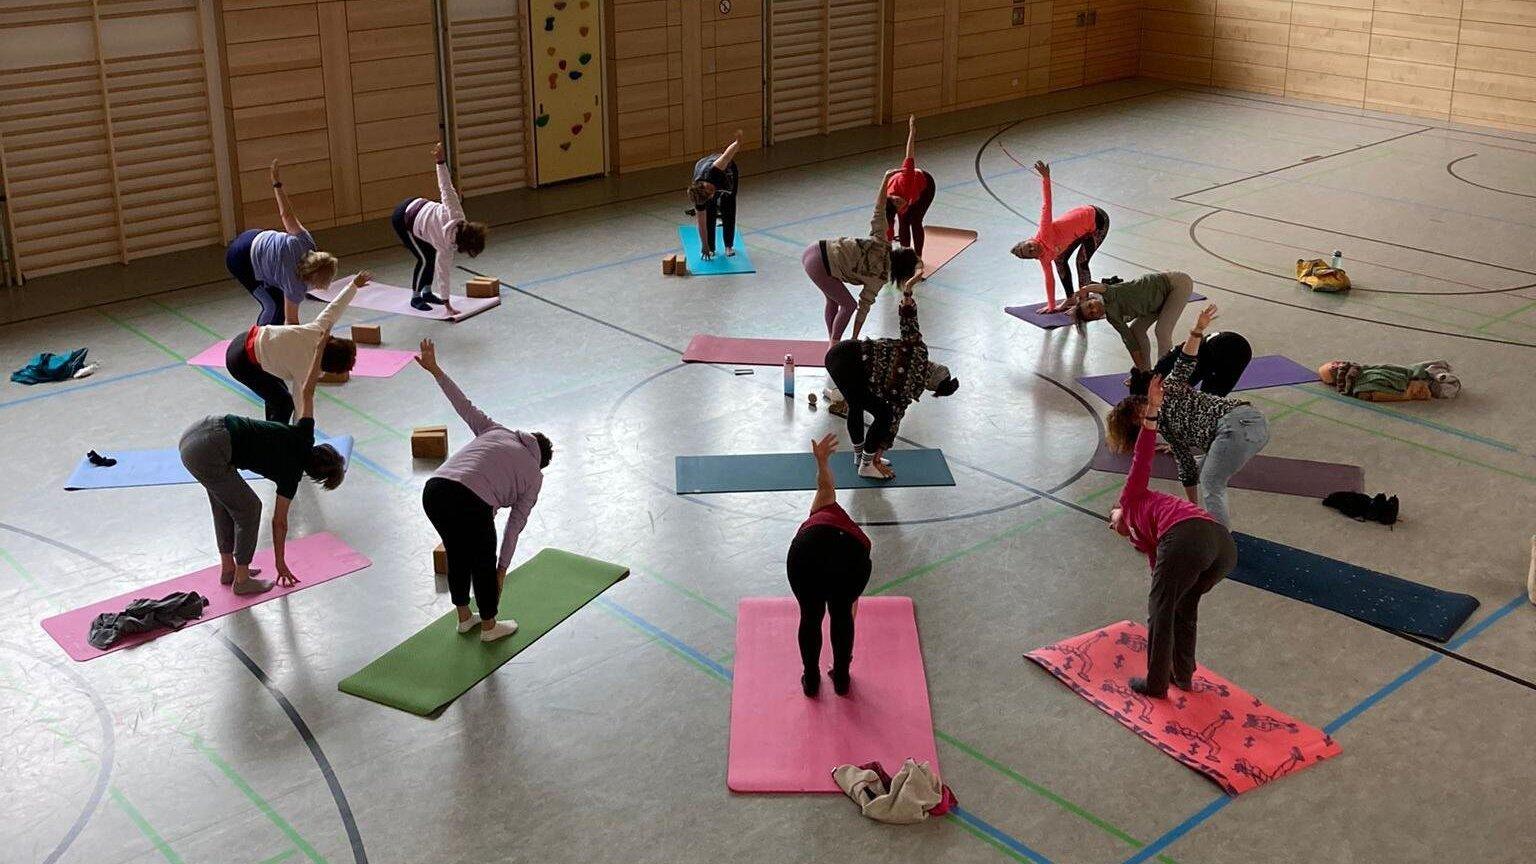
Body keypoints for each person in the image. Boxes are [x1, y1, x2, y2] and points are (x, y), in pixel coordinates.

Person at [178, 334, 347, 596]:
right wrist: (280, 563)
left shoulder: (304, 434)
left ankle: (229, 568)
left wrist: (319, 349)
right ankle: (242, 580)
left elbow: (307, 389)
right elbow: (279, 523)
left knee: (225, 502)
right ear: (315, 476)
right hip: (208, 450)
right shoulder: (291, 477)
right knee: (250, 508)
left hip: (201, 429)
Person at [415, 338, 552, 643]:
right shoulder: (534, 476)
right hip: (469, 500)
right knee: (482, 560)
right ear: (541, 462)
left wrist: (436, 370)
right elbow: (514, 526)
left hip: (434, 490)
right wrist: (501, 569)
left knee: (457, 551)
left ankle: (465, 618)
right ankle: (489, 626)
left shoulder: (496, 430)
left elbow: (463, 405)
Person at [1109, 391, 1236, 698]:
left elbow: (1141, 459)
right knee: (1182, 606)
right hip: (1222, 548)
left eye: (1110, 517)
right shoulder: (1148, 541)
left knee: (1161, 609)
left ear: (1119, 508)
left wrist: (1151, 415)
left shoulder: (1132, 498)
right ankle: (1183, 674)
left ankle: (1156, 683)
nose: (1111, 524)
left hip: (1191, 536)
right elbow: (1161, 573)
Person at [1105, 305, 1269, 526]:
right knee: (1198, 469)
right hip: (1244, 433)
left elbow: (1185, 360)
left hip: (1240, 424)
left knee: (1211, 482)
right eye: (1140, 418)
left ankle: (1220, 536)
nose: (1146, 413)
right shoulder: (1167, 430)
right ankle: (1201, 520)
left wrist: (1197, 330)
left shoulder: (1169, 388)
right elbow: (1186, 468)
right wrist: (1193, 507)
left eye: (1141, 408)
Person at [824, 288, 959, 479]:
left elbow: (909, 324)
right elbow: (893, 420)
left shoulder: (919, 351)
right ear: (931, 385)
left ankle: (861, 457)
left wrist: (908, 305)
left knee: (857, 404)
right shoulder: (910, 389)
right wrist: (878, 452)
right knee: (882, 413)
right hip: (849, 364)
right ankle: (866, 465)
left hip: (841, 353)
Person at [787, 433, 873, 697]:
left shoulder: (823, 505)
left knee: (810, 616)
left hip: (806, 553)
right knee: (842, 614)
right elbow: (850, 611)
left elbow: (824, 484)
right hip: (850, 557)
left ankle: (811, 679)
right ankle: (841, 678)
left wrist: (822, 461)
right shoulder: (836, 516)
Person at [225, 271, 369, 422]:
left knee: (277, 394)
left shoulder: (319, 330)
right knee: (283, 404)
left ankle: (272, 429)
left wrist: (353, 285)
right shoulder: (306, 369)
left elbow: (335, 307)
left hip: (244, 339)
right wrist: (301, 432)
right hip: (241, 362)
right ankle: (276, 435)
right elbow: (301, 407)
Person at [805, 169, 923, 342]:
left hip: (815, 249)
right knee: (848, 305)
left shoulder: (882, 242)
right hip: (821, 265)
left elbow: (879, 209)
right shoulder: (879, 279)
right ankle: (834, 344)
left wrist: (886, 178)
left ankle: (832, 341)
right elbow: (863, 308)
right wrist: (854, 337)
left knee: (833, 300)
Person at [226, 159, 338, 326]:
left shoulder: (306, 242)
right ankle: (258, 339)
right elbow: (291, 322)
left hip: (253, 236)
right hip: (240, 259)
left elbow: (286, 215)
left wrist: (276, 184)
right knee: (274, 305)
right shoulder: (294, 285)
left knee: (278, 293)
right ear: (312, 279)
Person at [391, 143, 488, 313]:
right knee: (424, 259)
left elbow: (443, 273)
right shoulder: (446, 246)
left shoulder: (457, 216)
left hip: (418, 208)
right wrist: (440, 163)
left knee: (430, 254)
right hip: (404, 219)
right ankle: (415, 297)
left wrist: (440, 161)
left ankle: (427, 292)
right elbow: (446, 187)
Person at [1010, 160, 1110, 313]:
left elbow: (1046, 205)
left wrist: (1046, 178)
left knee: (1081, 261)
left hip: (1097, 219)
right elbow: (1049, 280)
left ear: (1030, 238)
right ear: (1035, 258)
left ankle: (1084, 300)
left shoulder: (1044, 231)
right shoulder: (1044, 259)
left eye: (1029, 245)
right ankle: (1070, 298)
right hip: (1082, 231)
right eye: (1030, 252)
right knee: (1060, 260)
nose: (1032, 248)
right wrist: (1051, 306)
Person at [1072, 271, 1196, 374]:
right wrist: (1142, 371)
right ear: (1095, 318)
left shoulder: (1109, 295)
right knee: (1137, 330)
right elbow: (1130, 342)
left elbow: (1102, 288)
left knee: (1162, 331)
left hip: (1176, 285)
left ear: (1092, 298)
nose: (1094, 310)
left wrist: (1085, 288)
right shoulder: (1113, 318)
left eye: (1090, 305)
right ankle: (1147, 372)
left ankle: (1164, 374)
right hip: (1156, 303)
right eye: (1091, 314)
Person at [883, 115, 936, 259]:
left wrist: (912, 131)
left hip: (925, 186)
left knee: (915, 220)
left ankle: (918, 258)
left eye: (898, 201)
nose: (900, 203)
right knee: (903, 222)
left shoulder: (905, 179)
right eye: (898, 205)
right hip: (909, 194)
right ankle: (906, 257)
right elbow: (888, 234)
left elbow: (909, 154)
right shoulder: (889, 208)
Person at [1141, 330, 1252, 397]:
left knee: (1210, 397)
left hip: (1235, 354)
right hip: (1218, 346)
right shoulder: (1168, 364)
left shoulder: (1183, 367)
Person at [687, 130, 742, 261]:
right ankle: (711, 247)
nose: (712, 196)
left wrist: (737, 142)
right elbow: (701, 222)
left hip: (727, 173)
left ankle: (728, 245)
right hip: (706, 172)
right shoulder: (699, 195)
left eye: (710, 192)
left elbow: (727, 155)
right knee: (709, 213)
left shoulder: (714, 170)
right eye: (709, 195)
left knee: (728, 208)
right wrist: (705, 245)